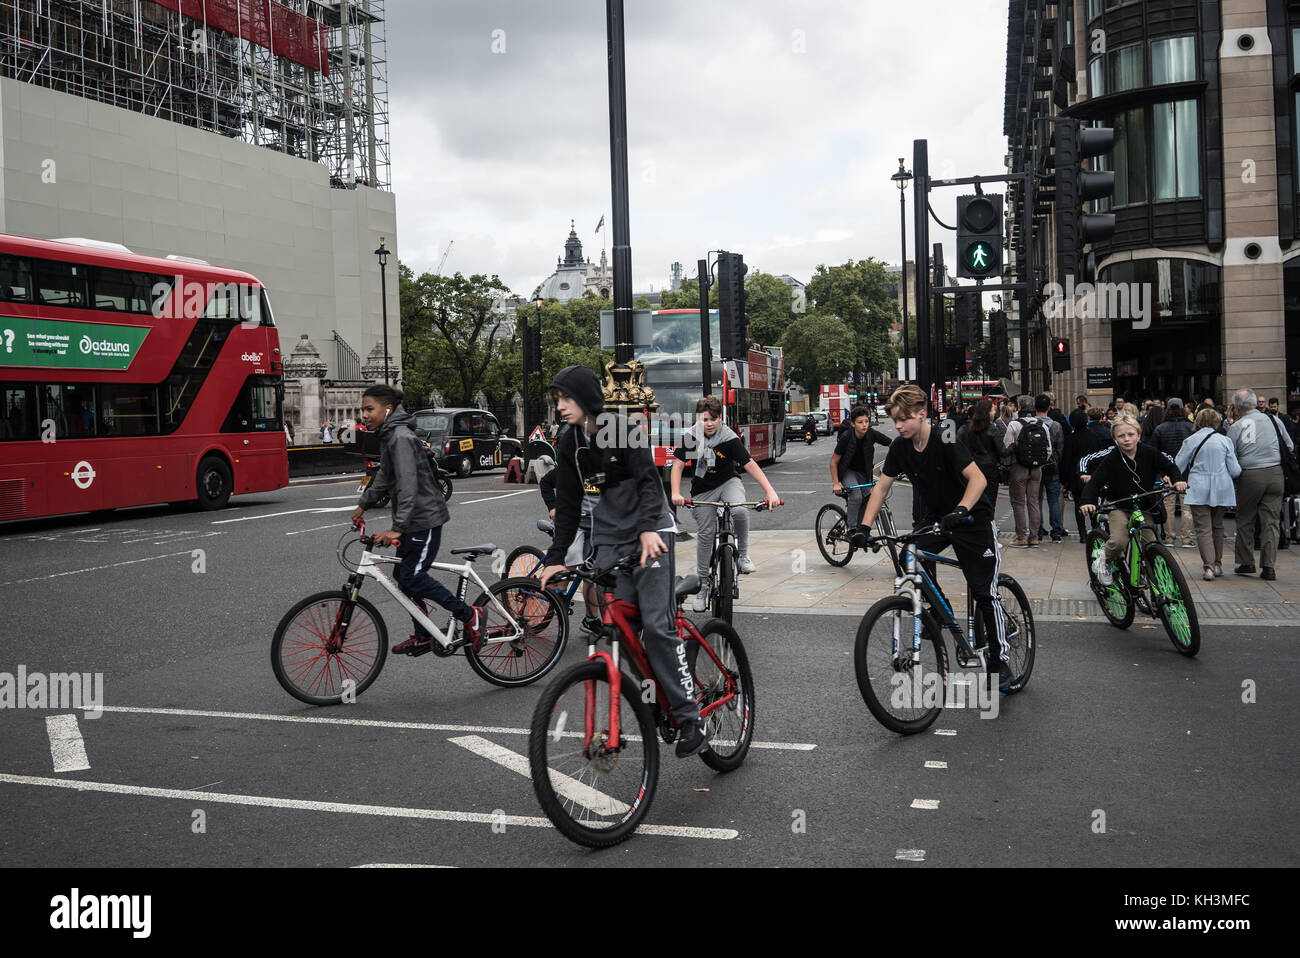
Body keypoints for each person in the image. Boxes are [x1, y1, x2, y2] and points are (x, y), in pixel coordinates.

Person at [537, 365, 708, 758]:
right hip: (611, 540)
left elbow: (650, 480)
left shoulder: (621, 428)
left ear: (585, 397)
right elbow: (566, 505)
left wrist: (649, 527)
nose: (560, 407)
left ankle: (689, 717)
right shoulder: (569, 442)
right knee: (620, 627)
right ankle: (651, 691)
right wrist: (556, 557)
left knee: (656, 625)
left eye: (566, 399)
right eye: (557, 400)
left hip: (651, 533)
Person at [855, 384, 1014, 690]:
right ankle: (941, 611)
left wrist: (961, 509)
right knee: (909, 553)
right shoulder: (900, 448)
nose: (898, 425)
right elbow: (881, 487)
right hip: (937, 518)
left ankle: (1000, 660)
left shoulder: (946, 437)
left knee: (984, 592)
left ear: (922, 414)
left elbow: (978, 480)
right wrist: (864, 528)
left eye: (903, 419)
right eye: (895, 420)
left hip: (972, 518)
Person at [350, 385, 479, 655]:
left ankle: (469, 615)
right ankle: (423, 634)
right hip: (414, 520)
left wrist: (396, 529)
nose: (364, 415)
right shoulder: (390, 435)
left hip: (425, 519)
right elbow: (385, 476)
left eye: (369, 409)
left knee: (412, 575)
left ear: (387, 409)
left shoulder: (400, 437)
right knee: (403, 576)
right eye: (362, 409)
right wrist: (364, 503)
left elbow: (408, 486)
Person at [670, 395, 782, 613]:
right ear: (698, 419)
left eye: (714, 419)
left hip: (728, 482)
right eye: (705, 419)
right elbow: (677, 466)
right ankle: (702, 586)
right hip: (703, 489)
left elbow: (749, 464)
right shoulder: (691, 436)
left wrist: (770, 491)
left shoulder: (728, 436)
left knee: (739, 510)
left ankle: (742, 556)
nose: (709, 423)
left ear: (721, 418)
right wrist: (675, 493)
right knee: (706, 532)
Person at [1078, 414, 1186, 586]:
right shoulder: (1112, 458)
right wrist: (1087, 501)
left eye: (1130, 434)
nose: (1127, 439)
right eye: (1121, 436)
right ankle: (1103, 559)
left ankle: (1143, 572)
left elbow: (1170, 466)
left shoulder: (1150, 453)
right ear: (1114, 439)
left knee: (1151, 543)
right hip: (1118, 505)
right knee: (1119, 541)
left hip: (1143, 505)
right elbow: (1096, 481)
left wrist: (1178, 479)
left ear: (1139, 435)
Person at [539, 423, 601, 634]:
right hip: (573, 523)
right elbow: (546, 483)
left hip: (596, 526)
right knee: (569, 567)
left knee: (591, 575)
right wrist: (553, 508)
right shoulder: (571, 468)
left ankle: (591, 619)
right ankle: (560, 606)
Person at [1228, 388, 1293, 580]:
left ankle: (1246, 562)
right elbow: (1288, 446)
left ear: (1238, 407)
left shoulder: (1236, 427)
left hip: (1249, 475)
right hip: (1275, 473)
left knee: (1245, 519)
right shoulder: (1274, 420)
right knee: (1271, 522)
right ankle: (1269, 566)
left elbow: (1229, 454)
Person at [1176, 407, 1241, 580]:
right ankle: (1218, 565)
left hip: (1199, 486)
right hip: (1222, 486)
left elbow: (1178, 466)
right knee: (1217, 526)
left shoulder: (1191, 440)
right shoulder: (1225, 441)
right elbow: (1235, 470)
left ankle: (1209, 568)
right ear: (1216, 422)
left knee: (1203, 529)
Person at [829, 404, 892, 534]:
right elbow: (833, 462)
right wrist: (836, 483)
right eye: (860, 422)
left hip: (864, 472)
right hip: (848, 471)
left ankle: (861, 531)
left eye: (866, 421)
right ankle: (852, 529)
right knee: (857, 497)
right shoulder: (846, 437)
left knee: (868, 498)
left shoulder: (871, 433)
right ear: (853, 424)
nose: (864, 425)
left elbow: (892, 444)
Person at [1060, 406, 1113, 544]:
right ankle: (1095, 530)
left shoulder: (1070, 439)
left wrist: (1064, 479)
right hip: (1093, 476)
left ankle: (1082, 533)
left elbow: (1066, 460)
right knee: (1094, 504)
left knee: (1079, 505)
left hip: (1076, 477)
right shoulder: (1094, 437)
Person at [1002, 395, 1050, 546]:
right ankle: (1034, 537)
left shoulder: (1014, 425)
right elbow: (1048, 450)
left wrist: (1008, 466)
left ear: (1019, 408)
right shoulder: (1042, 425)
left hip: (1019, 467)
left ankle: (1021, 537)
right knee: (1033, 502)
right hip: (1037, 469)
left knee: (1018, 503)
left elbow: (1007, 446)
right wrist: (1039, 463)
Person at [1148, 400, 1195, 546]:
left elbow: (1153, 453)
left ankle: (1169, 538)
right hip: (1187, 472)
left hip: (1166, 472)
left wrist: (1162, 472)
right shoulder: (1190, 427)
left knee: (1168, 505)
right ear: (1183, 409)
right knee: (1186, 506)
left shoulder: (1160, 429)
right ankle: (1186, 538)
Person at [1032, 394, 1067, 541]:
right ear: (1049, 408)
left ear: (1035, 408)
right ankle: (1056, 532)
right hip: (1052, 466)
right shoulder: (1056, 425)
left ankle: (1038, 530)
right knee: (1054, 500)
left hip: (1035, 467)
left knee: (1037, 500)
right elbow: (1060, 448)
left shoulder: (1031, 424)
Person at [957, 397, 1000, 514]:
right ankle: (990, 526)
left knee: (975, 500)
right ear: (987, 412)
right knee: (990, 501)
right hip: (990, 469)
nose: (995, 412)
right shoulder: (992, 429)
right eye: (993, 410)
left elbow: (962, 448)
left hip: (973, 467)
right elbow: (1002, 451)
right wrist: (1014, 445)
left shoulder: (967, 429)